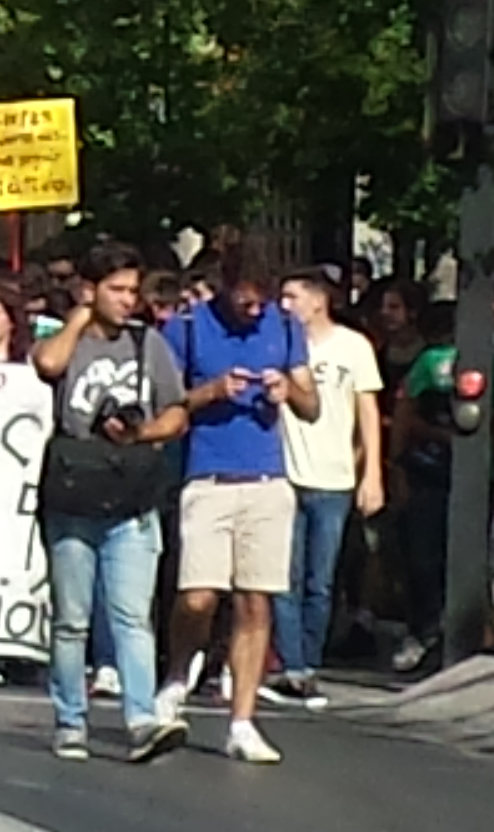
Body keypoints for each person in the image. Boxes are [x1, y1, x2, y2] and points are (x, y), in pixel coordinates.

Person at [155, 254, 318, 763]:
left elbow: (312, 406)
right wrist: (211, 392)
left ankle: (242, 722)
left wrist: (286, 391)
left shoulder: (285, 326)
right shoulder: (188, 327)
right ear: (223, 288)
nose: (254, 307)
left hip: (268, 480)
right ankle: (180, 670)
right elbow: (164, 401)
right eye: (244, 297)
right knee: (199, 596)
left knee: (255, 601)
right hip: (208, 477)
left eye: (261, 298)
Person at [31, 242, 190, 762]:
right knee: (72, 617)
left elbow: (177, 412)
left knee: (130, 614)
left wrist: (141, 433)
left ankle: (142, 718)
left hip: (131, 494)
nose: (127, 301)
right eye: (116, 290)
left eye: (132, 291)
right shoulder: (69, 340)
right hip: (76, 490)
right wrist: (77, 320)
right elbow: (47, 364)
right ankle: (70, 718)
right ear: (89, 290)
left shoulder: (150, 345)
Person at [270, 267, 383, 705]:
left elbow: (368, 410)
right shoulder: (278, 343)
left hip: (334, 477)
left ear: (318, 301)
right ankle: (293, 665)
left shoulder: (354, 347)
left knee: (321, 580)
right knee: (284, 578)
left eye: (292, 296)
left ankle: (310, 661)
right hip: (284, 475)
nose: (285, 305)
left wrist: (372, 471)